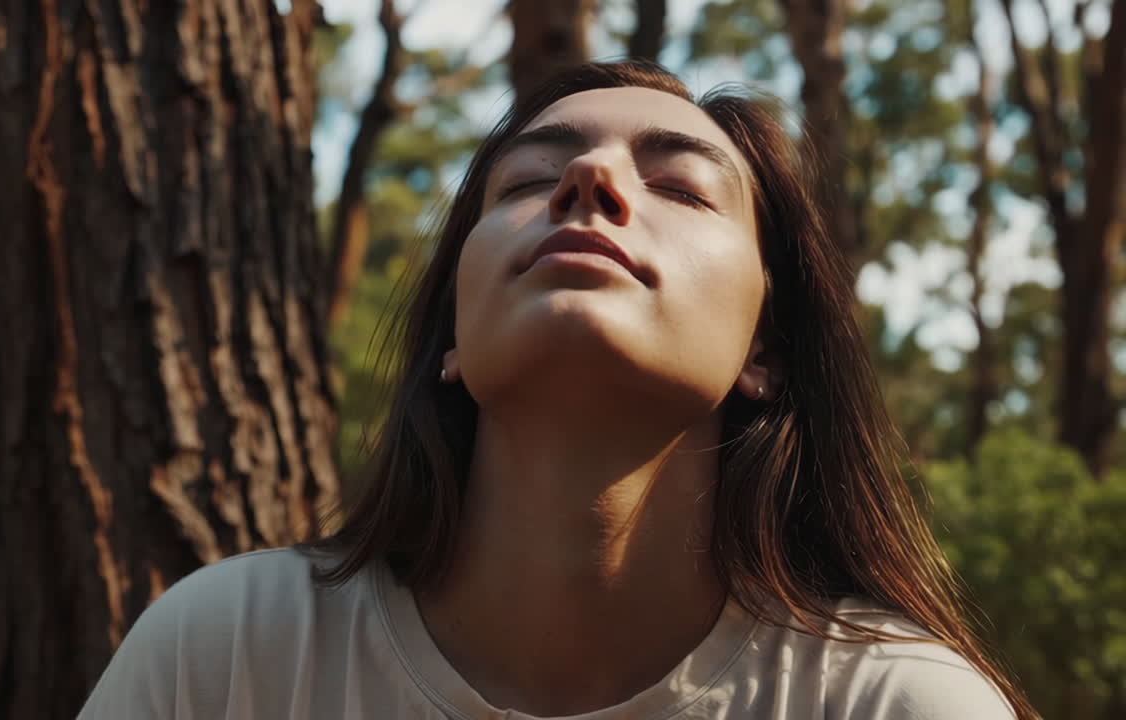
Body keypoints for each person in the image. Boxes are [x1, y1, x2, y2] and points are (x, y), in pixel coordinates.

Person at [77, 60, 1036, 719]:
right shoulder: (228, 656)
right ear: (453, 339)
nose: (588, 176)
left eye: (680, 187)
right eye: (527, 180)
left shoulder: (895, 703)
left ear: (765, 350)